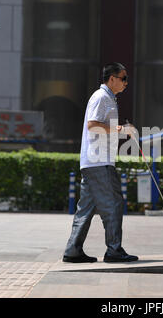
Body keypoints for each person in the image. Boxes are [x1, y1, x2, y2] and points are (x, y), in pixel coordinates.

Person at [62, 62, 139, 263]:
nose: (126, 83)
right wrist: (122, 129)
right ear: (111, 79)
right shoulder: (101, 97)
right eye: (123, 78)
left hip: (94, 162)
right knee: (113, 203)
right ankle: (114, 250)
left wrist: (121, 130)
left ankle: (73, 250)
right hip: (99, 163)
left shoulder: (109, 99)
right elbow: (93, 125)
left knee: (86, 208)